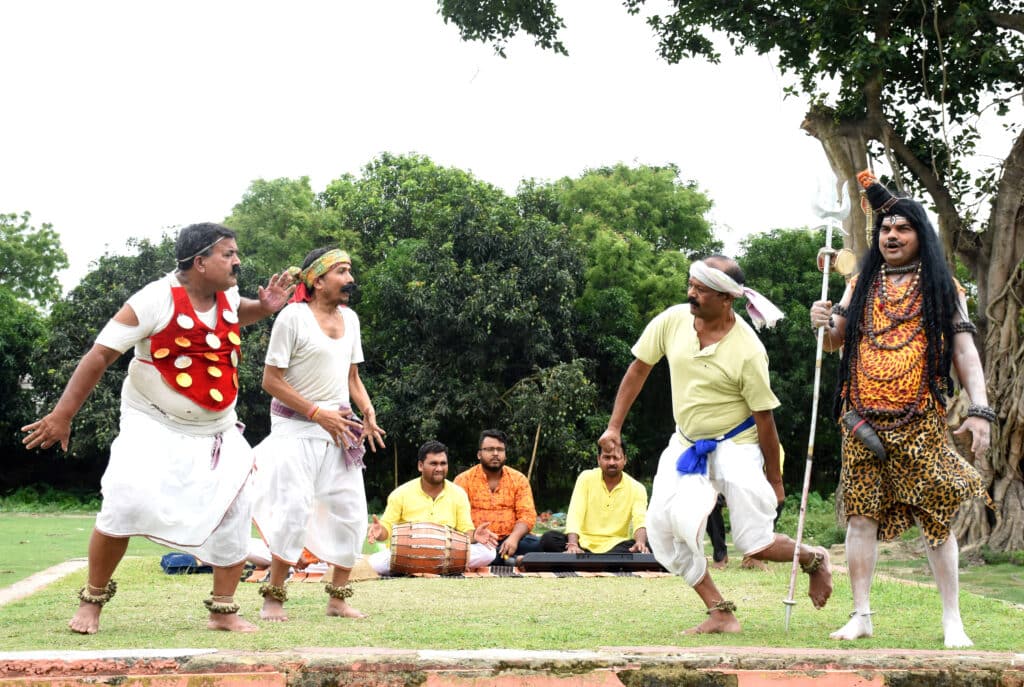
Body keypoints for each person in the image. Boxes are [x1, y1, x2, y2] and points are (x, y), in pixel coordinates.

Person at [21, 223, 294, 634]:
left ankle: (223, 610)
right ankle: (92, 600)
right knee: (125, 500)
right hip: (151, 420)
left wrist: (264, 308)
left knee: (235, 510)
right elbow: (99, 356)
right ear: (200, 262)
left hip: (217, 428)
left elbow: (238, 314)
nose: (237, 261)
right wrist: (63, 414)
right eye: (228, 254)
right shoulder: (152, 300)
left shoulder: (229, 295)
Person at [599, 254, 833, 634]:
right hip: (686, 442)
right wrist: (614, 427)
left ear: (727, 299)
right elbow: (639, 368)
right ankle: (720, 612)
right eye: (691, 285)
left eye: (702, 290)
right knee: (662, 528)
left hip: (737, 444)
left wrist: (775, 479)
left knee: (753, 544)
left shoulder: (748, 351)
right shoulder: (673, 320)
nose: (692, 294)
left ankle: (812, 558)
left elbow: (765, 419)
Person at [809, 170, 993, 648]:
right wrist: (822, 322)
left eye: (902, 228)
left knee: (935, 516)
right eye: (886, 228)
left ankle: (953, 619)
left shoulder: (941, 284)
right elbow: (834, 342)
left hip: (920, 419)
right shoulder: (859, 282)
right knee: (861, 518)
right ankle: (861, 614)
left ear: (920, 235)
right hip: (860, 418)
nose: (891, 235)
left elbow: (964, 349)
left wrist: (980, 408)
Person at [250, 247, 386, 622]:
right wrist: (315, 413)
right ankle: (274, 598)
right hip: (295, 431)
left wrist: (369, 413)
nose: (351, 279)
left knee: (351, 513)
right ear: (318, 279)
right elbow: (270, 381)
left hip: (340, 431)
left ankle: (338, 599)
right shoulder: (292, 318)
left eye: (350, 271)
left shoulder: (351, 319)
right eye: (342, 271)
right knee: (292, 511)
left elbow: (352, 377)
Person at [366, 440, 497, 574]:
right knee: (373, 563)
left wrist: (475, 535)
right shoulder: (400, 493)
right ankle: (439, 568)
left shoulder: (458, 494)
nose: (439, 468)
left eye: (443, 463)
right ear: (421, 466)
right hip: (408, 554)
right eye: (433, 463)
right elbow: (386, 529)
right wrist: (379, 532)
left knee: (489, 552)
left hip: (446, 553)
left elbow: (465, 531)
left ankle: (426, 568)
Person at [539, 442, 649, 555]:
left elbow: (640, 521)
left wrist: (640, 543)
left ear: (624, 459)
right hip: (582, 543)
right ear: (598, 459)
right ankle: (600, 561)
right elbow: (575, 514)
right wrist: (572, 545)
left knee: (646, 545)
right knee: (548, 539)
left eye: (616, 458)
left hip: (616, 545)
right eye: (607, 457)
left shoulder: (637, 488)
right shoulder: (586, 478)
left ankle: (582, 561)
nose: (611, 462)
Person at [453, 429, 542, 565]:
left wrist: (514, 538)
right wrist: (474, 536)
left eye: (500, 450)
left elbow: (527, 515)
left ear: (505, 454)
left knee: (546, 543)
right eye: (490, 449)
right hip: (478, 541)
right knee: (465, 551)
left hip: (512, 541)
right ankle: (511, 560)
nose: (495, 453)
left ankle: (503, 559)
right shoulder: (463, 480)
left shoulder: (518, 479)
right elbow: (457, 518)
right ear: (479, 454)